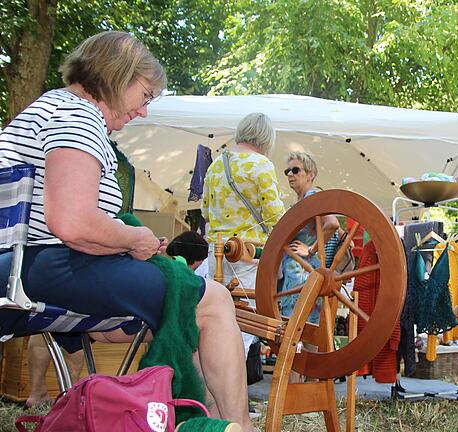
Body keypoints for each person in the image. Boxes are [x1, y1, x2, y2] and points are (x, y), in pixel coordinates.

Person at [0, 31, 253, 431]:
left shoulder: (50, 108)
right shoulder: (77, 116)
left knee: (149, 318)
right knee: (213, 300)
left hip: (28, 268)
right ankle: (237, 425)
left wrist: (124, 240)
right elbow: (73, 223)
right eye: (146, 93)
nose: (144, 110)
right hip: (46, 269)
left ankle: (194, 417)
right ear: (117, 75)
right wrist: (134, 238)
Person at [202, 112, 285, 356]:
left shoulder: (216, 165)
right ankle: (232, 386)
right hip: (249, 254)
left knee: (214, 319)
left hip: (215, 252)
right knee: (245, 324)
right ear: (266, 138)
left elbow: (206, 211)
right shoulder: (262, 165)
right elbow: (276, 216)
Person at [277, 151, 340, 324]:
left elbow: (333, 224)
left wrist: (311, 249)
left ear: (310, 175)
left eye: (295, 170)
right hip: (298, 271)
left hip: (302, 272)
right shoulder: (301, 201)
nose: (290, 174)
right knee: (307, 329)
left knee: (296, 325)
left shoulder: (312, 196)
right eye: (287, 171)